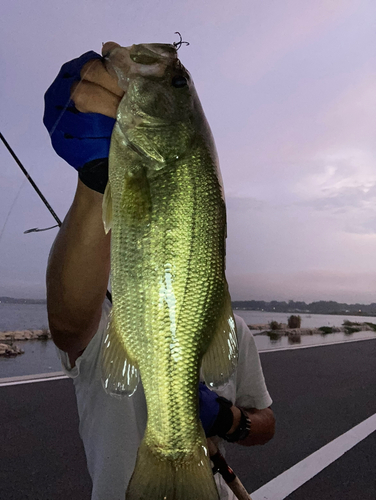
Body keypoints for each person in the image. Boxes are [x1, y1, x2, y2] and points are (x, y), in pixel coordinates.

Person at [44, 41, 275, 500]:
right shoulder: (102, 323)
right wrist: (94, 180)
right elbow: (68, 326)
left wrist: (228, 419)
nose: (167, 69)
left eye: (176, 81)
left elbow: (265, 424)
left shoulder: (236, 332)